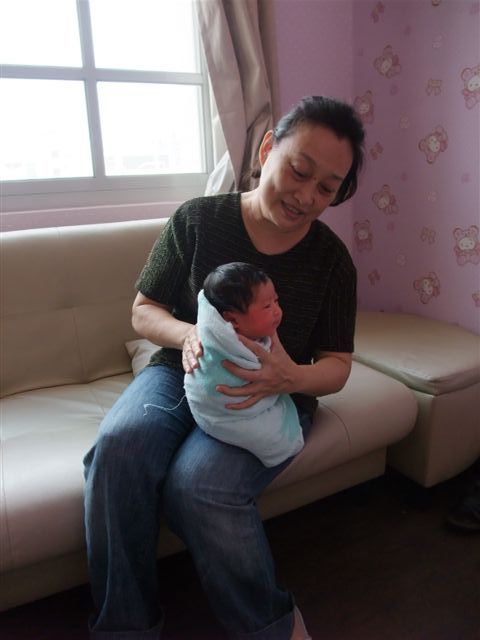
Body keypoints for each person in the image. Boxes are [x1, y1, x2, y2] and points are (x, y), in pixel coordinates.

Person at [83, 95, 365, 640]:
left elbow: (337, 365)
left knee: (199, 485)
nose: (306, 196)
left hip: (273, 392)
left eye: (327, 188)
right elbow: (144, 309)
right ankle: (125, 627)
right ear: (268, 149)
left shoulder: (332, 261)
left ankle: (272, 629)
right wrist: (188, 335)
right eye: (299, 171)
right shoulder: (197, 220)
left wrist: (288, 377)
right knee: (118, 450)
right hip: (179, 370)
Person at [184, 261, 304, 467]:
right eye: (267, 306)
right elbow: (214, 381)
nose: (277, 311)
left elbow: (277, 375)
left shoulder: (255, 332)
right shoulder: (225, 346)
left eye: (276, 301)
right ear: (233, 321)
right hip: (222, 409)